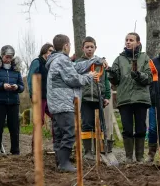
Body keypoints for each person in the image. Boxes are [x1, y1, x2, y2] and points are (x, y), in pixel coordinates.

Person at [46, 34, 99, 172]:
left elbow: (75, 67)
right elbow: (74, 79)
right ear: (66, 46)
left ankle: (60, 163)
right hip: (64, 104)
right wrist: (90, 76)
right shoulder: (62, 60)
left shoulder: (56, 60)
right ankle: (64, 163)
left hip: (56, 104)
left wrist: (94, 61)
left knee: (59, 135)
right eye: (69, 45)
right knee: (70, 133)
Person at [107, 32, 152, 163]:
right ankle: (128, 157)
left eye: (131, 40)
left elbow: (149, 77)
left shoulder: (145, 58)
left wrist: (138, 75)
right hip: (124, 99)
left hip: (140, 99)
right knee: (127, 129)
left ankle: (139, 157)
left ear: (138, 42)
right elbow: (115, 81)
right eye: (126, 40)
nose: (128, 42)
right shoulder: (119, 59)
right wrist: (111, 72)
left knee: (140, 128)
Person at [76, 36, 110, 162]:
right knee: (86, 124)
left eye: (92, 47)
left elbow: (105, 81)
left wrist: (106, 96)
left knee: (100, 125)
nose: (89, 49)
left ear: (95, 48)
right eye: (87, 47)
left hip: (98, 98)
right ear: (83, 48)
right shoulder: (79, 63)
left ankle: (99, 149)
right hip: (85, 99)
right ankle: (88, 151)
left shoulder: (100, 63)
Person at [0, 45, 24, 155]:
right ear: (2, 55)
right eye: (6, 57)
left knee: (14, 128)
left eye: (11, 57)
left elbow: (21, 86)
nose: (8, 60)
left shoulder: (16, 69)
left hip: (14, 102)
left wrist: (17, 87)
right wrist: (2, 85)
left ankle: (15, 151)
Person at [27, 43, 54, 153]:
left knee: (56, 117)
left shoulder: (50, 64)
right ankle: (35, 148)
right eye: (50, 51)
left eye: (53, 51)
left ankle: (57, 146)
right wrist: (33, 94)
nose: (51, 53)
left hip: (49, 97)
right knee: (39, 121)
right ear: (44, 51)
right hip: (39, 97)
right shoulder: (37, 62)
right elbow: (30, 79)